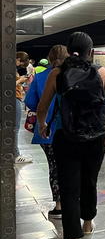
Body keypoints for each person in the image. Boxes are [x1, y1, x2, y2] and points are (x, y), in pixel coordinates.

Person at [36, 33, 105, 239]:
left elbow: (42, 106)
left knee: (69, 190)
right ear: (92, 51)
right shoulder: (102, 73)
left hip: (66, 138)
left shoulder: (57, 73)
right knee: (89, 182)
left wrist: (43, 123)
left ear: (69, 50)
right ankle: (87, 226)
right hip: (95, 139)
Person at [25, 44, 68, 219]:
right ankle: (74, 200)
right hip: (70, 129)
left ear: (49, 59)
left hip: (47, 131)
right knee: (71, 166)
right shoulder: (74, 75)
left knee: (54, 167)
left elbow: (30, 101)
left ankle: (59, 205)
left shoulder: (41, 76)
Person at [14, 52, 32, 163]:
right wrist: (20, 80)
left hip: (15, 98)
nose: (19, 65)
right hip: (14, 98)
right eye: (20, 63)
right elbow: (8, 85)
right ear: (18, 59)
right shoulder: (10, 68)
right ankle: (16, 155)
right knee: (15, 129)